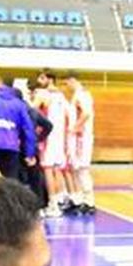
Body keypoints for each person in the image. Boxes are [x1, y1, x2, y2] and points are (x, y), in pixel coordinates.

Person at [31, 70, 75, 218]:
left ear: (50, 79)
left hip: (48, 137)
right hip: (60, 137)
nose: (39, 79)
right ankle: (59, 201)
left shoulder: (43, 94)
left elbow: (31, 110)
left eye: (42, 77)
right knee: (57, 170)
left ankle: (53, 204)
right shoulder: (62, 96)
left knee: (48, 170)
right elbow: (70, 116)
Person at [58, 71, 97, 214]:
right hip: (80, 138)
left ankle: (89, 202)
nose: (66, 86)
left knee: (82, 170)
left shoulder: (81, 95)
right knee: (77, 170)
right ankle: (82, 200)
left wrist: (75, 128)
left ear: (73, 80)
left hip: (82, 138)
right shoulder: (79, 95)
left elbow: (86, 113)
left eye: (66, 83)